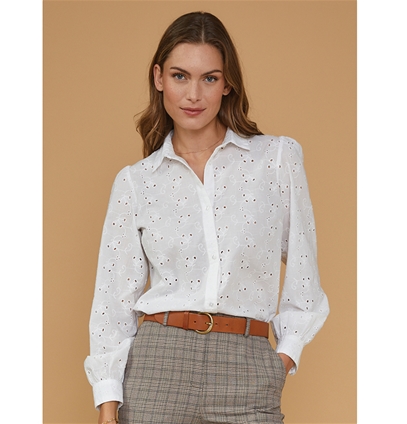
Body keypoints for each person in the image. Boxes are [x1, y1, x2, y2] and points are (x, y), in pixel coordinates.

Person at [84, 11, 329, 424]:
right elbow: (112, 302)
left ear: (227, 83)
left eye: (209, 78)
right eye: (180, 76)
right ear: (159, 77)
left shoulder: (276, 160)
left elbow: (304, 277)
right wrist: (108, 406)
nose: (193, 94)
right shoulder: (136, 182)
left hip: (247, 365)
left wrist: (282, 358)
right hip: (157, 366)